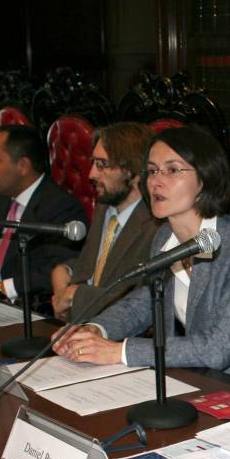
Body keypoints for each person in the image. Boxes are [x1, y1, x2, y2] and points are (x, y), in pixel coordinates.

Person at [52, 126, 230, 394]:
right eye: (151, 170)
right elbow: (145, 303)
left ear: (205, 178)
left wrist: (119, 351)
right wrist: (96, 329)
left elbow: (217, 348)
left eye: (172, 170)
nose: (156, 182)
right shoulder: (164, 237)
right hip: (207, 385)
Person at [0, 124, 87, 302]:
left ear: (22, 165)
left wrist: (3, 288)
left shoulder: (61, 208)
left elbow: (54, 271)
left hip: (16, 306)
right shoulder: (1, 198)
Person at [51, 122, 160, 320]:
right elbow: (95, 268)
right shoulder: (105, 208)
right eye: (94, 163)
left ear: (133, 171)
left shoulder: (156, 224)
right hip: (79, 328)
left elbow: (136, 300)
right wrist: (63, 271)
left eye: (102, 165)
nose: (91, 174)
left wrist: (75, 294)